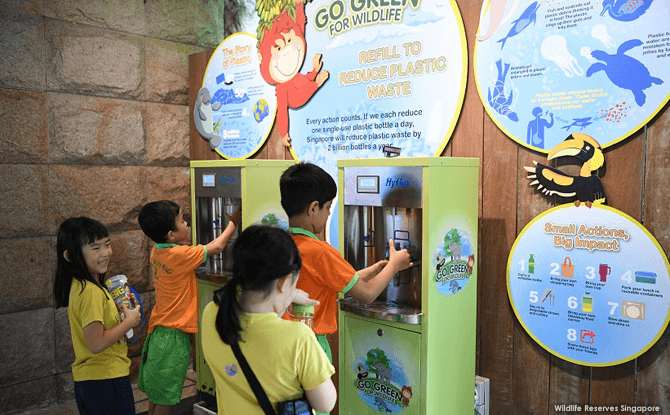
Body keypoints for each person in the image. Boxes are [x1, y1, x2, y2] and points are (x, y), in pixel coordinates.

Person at [279, 163, 415, 408]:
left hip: (284, 346)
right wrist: (395, 266)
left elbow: (329, 282)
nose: (328, 214)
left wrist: (370, 271)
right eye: (328, 208)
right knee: (316, 407)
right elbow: (366, 295)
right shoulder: (321, 252)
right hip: (313, 347)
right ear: (313, 208)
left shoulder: (282, 244)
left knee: (294, 407)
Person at [201, 225, 337, 414]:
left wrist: (284, 295)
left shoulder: (212, 313)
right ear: (283, 282)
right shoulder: (298, 338)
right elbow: (326, 404)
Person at [137, 200, 240, 415]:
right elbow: (218, 247)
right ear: (171, 235)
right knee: (166, 398)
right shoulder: (179, 255)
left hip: (159, 334)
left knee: (158, 394)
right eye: (182, 221)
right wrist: (233, 223)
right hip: (173, 337)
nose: (187, 224)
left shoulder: (157, 252)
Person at [53, 217, 141, 415]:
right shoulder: (90, 291)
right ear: (70, 256)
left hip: (96, 382)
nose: (106, 253)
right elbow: (96, 343)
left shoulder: (83, 285)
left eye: (107, 244)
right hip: (105, 383)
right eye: (95, 248)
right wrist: (129, 322)